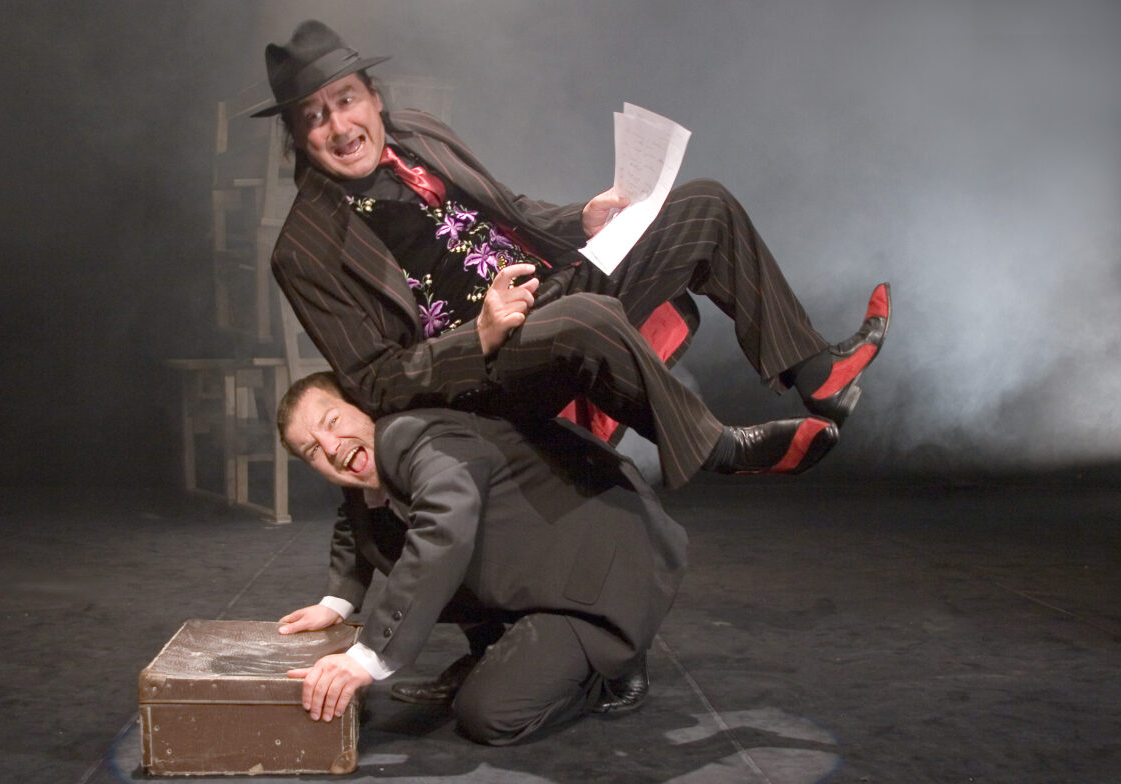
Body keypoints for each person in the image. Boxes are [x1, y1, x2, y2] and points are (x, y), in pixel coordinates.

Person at [254, 20, 892, 490]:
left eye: (346, 100)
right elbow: (376, 382)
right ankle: (720, 448)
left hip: (551, 288)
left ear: (373, 96)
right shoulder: (303, 251)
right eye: (315, 116)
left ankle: (818, 373)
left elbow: (508, 208)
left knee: (704, 205)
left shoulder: (419, 131)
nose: (340, 127)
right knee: (584, 316)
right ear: (298, 139)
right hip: (489, 368)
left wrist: (579, 218)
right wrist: (479, 336)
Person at [275, 371, 689, 745]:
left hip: (604, 570)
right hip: (543, 560)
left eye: (333, 421)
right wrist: (335, 603)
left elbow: (443, 533)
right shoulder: (368, 456)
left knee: (488, 714)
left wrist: (368, 657)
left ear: (362, 405)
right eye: (312, 450)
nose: (331, 447)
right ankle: (492, 649)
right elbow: (355, 520)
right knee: (392, 542)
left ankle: (612, 662)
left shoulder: (413, 435)